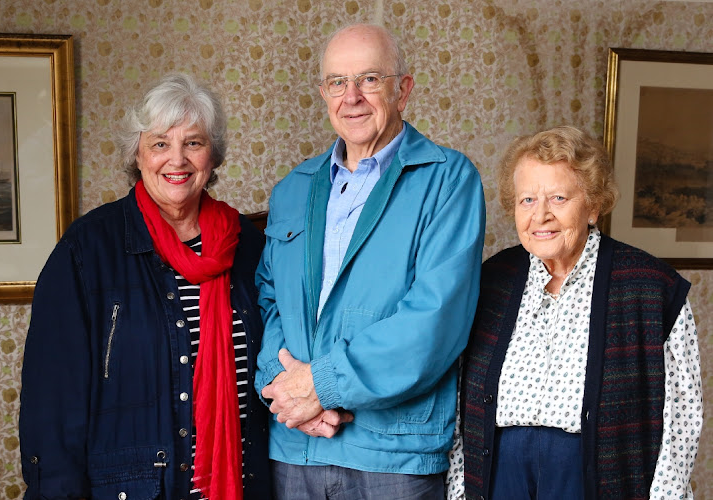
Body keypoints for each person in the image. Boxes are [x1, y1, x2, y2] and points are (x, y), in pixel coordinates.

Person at [255, 23, 486, 499]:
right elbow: (267, 299)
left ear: (403, 89)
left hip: (393, 454)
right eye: (338, 82)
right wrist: (280, 385)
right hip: (295, 443)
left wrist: (321, 385)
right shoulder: (293, 188)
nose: (352, 96)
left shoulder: (449, 181)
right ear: (324, 93)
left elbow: (435, 320)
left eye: (370, 80)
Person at [19, 73, 270, 500]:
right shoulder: (87, 250)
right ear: (137, 154)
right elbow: (52, 406)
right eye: (160, 144)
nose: (177, 160)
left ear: (213, 157)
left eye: (193, 143)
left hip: (246, 485)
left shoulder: (249, 245)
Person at [447, 126, 703, 500]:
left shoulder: (652, 289)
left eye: (558, 197)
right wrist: (459, 489)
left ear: (593, 206)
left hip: (594, 477)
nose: (541, 215)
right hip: (499, 473)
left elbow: (682, 414)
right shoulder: (489, 282)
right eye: (527, 200)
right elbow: (457, 401)